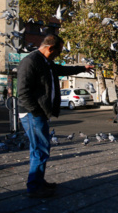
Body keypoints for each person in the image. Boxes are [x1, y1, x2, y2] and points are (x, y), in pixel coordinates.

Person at [17, 34, 94, 198]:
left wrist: (83, 68)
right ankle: (34, 187)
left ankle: (38, 181)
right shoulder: (30, 61)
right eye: (58, 51)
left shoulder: (46, 62)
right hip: (32, 114)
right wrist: (37, 112)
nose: (58, 55)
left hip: (38, 113)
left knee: (37, 148)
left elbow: (62, 69)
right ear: (50, 48)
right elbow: (22, 93)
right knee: (41, 148)